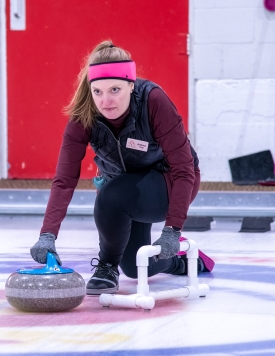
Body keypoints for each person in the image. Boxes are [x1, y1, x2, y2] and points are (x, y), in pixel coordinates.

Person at [30, 41, 214, 295]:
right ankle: (180, 262)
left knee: (112, 195)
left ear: (131, 84)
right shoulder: (84, 115)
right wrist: (47, 235)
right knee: (135, 266)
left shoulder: (154, 101)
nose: (105, 101)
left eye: (114, 89)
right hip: (125, 185)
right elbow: (64, 179)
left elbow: (184, 168)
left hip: (170, 179)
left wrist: (172, 229)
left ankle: (106, 266)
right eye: (98, 92)